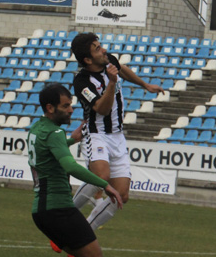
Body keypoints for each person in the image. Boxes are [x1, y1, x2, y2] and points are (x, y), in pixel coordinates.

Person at [28, 83, 124, 257]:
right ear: (50, 108)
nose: (71, 110)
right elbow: (69, 166)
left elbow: (51, 154)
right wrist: (105, 185)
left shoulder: (38, 130)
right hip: (58, 208)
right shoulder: (54, 133)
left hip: (42, 210)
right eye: (65, 106)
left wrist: (72, 139)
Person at [69, 33, 165, 231]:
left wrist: (145, 85)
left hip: (117, 136)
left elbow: (121, 69)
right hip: (96, 134)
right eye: (97, 48)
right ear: (87, 60)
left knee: (121, 195)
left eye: (100, 45)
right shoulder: (82, 82)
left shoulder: (108, 61)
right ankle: (65, 217)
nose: (103, 50)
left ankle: (85, 232)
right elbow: (102, 109)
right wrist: (112, 83)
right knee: (101, 178)